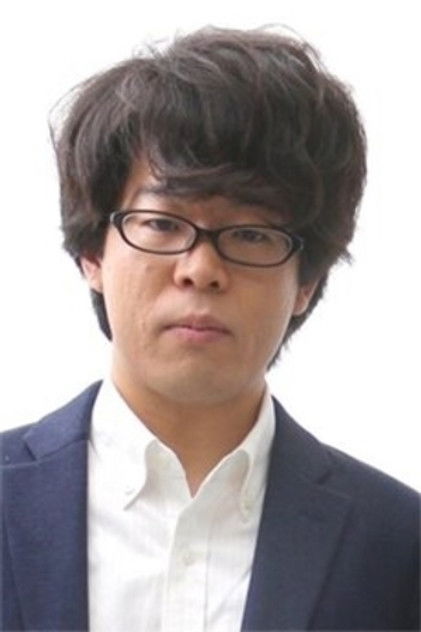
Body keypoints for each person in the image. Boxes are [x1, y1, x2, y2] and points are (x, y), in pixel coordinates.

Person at [1, 26, 419, 632]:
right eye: (162, 224)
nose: (201, 269)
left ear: (306, 281)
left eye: (250, 234)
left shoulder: (397, 547)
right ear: (93, 253)